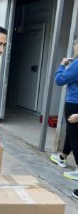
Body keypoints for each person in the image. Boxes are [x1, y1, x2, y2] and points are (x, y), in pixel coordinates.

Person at [49, 40, 78, 180]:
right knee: (71, 132)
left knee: (75, 135)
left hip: (74, 103)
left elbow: (60, 80)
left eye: (75, 45)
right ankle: (63, 157)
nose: (73, 47)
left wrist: (62, 65)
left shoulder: (77, 65)